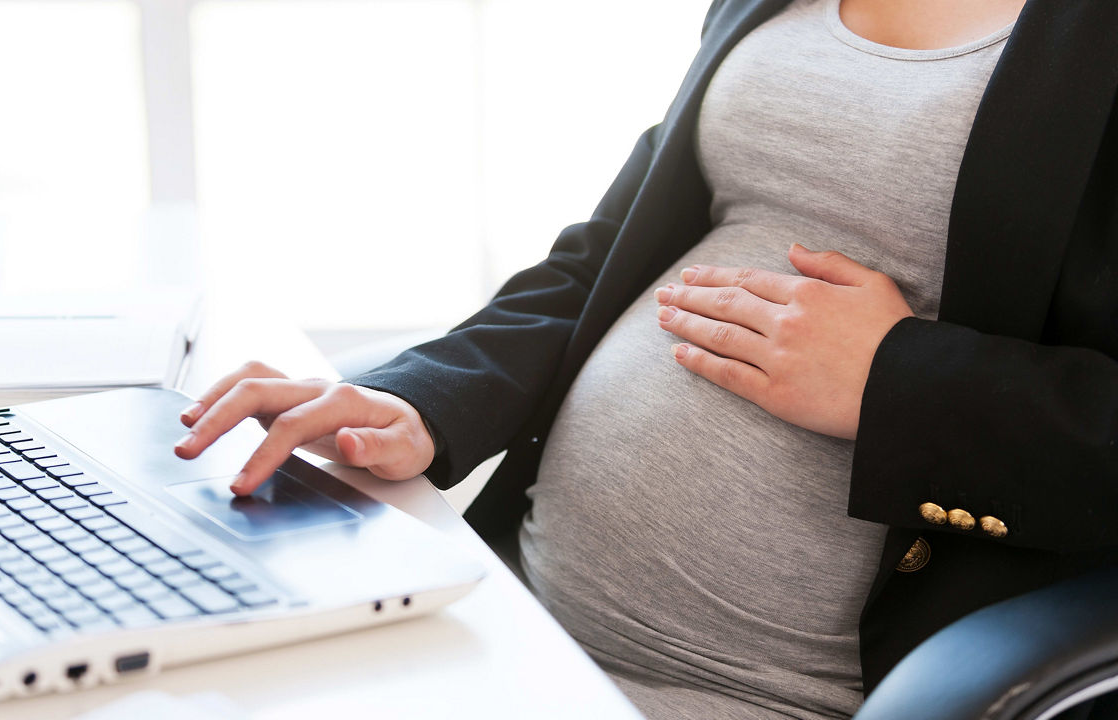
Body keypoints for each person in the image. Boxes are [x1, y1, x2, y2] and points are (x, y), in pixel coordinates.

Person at [174, 0, 1118, 717]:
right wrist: (423, 398)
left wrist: (899, 385)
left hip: (764, 692)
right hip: (518, 622)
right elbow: (616, 251)